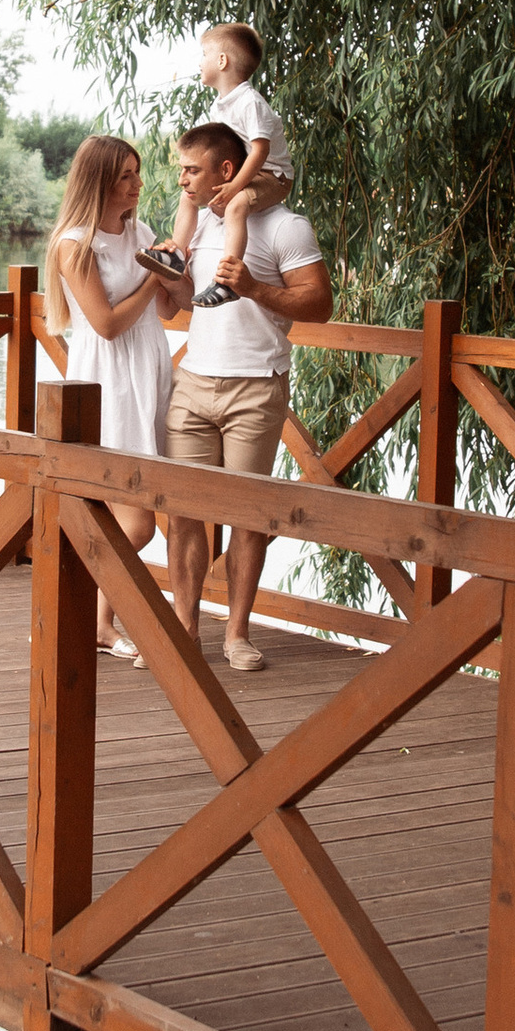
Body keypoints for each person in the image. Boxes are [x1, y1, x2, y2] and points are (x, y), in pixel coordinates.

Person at [155, 119, 329, 672]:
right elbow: (186, 303)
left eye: (191, 170)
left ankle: (236, 635)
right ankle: (185, 630)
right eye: (180, 170)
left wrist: (252, 287)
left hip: (256, 387)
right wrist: (168, 274)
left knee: (246, 515)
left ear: (226, 172)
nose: (182, 180)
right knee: (183, 515)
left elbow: (319, 305)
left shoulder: (286, 227)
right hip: (194, 383)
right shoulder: (201, 227)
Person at [42, 133, 171, 660]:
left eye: (138, 173)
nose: (139, 184)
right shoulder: (76, 243)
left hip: (151, 368)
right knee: (135, 520)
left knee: (121, 512)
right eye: (126, 176)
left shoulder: (142, 231)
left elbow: (167, 309)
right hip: (109, 376)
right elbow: (107, 323)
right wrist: (154, 277)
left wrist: (173, 275)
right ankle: (70, 606)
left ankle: (96, 622)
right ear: (99, 181)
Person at [153, 22, 294, 296]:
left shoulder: (249, 102)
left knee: (236, 206)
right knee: (188, 195)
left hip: (274, 176)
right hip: (245, 172)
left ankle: (226, 280)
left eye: (204, 54)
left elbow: (260, 151)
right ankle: (176, 254)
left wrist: (235, 186)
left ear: (222, 60)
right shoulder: (219, 105)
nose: (200, 63)